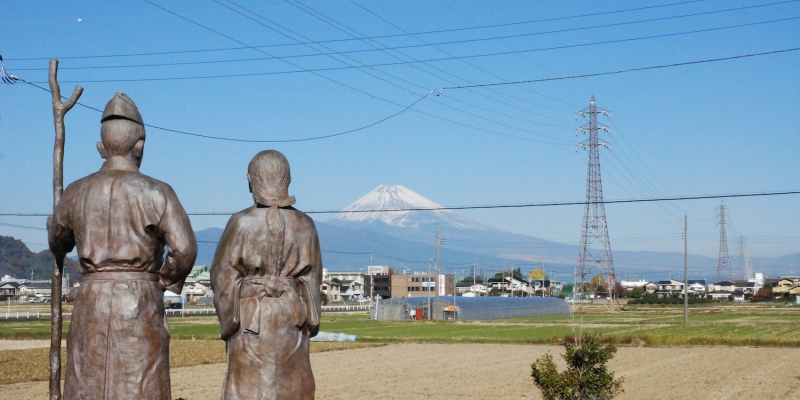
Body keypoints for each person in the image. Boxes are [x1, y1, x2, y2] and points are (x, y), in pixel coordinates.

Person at [48, 93, 197, 399]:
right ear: (140, 146)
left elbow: (58, 243)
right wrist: (160, 282)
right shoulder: (158, 191)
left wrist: (55, 225)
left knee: (87, 381)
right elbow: (185, 250)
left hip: (91, 300)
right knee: (142, 384)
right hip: (139, 300)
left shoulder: (75, 192)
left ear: (101, 147)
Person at [212, 150, 321, 400]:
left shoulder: (240, 222)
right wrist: (309, 317)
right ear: (288, 179)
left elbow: (221, 277)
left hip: (251, 316)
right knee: (293, 382)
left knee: (247, 385)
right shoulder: (306, 225)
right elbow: (314, 277)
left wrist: (230, 319)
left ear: (251, 179)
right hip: (292, 316)